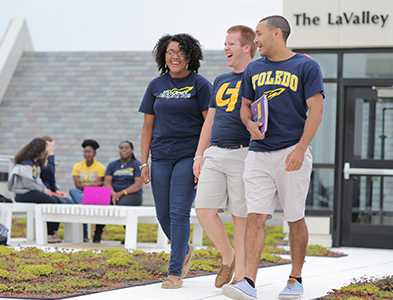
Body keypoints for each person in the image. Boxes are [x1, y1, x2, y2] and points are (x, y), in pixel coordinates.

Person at [222, 15, 324, 300]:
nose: (255, 40)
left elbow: (315, 110)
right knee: (255, 216)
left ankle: (295, 279)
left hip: (292, 151)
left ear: (276, 33)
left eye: (259, 33)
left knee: (294, 218)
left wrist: (301, 149)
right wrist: (249, 124)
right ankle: (248, 282)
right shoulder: (254, 68)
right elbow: (245, 107)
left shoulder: (306, 65)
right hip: (258, 154)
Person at [139, 33, 212, 289]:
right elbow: (147, 127)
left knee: (179, 211)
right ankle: (184, 248)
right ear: (164, 56)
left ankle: (174, 273)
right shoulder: (156, 86)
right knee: (162, 214)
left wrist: (201, 156)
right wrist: (144, 162)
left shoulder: (200, 85)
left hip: (188, 157)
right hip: (159, 157)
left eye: (181, 52)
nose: (175, 56)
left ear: (190, 56)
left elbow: (209, 123)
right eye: (171, 52)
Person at [193, 25, 256, 289]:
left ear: (247, 47)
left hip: (244, 152)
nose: (226, 48)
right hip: (215, 152)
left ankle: (241, 276)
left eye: (231, 43)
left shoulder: (259, 76)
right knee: (203, 210)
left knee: (240, 217)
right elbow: (210, 121)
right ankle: (227, 256)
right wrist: (199, 155)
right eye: (225, 43)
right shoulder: (220, 80)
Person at [7, 137, 63, 243]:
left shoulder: (36, 164)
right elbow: (28, 184)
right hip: (23, 194)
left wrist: (46, 190)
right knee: (52, 201)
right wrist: (43, 191)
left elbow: (38, 181)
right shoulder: (26, 164)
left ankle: (52, 231)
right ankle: (48, 233)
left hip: (31, 192)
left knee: (57, 200)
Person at [92, 140, 144, 243]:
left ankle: (129, 236)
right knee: (103, 204)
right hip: (114, 194)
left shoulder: (136, 164)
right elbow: (107, 181)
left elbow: (138, 184)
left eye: (126, 148)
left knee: (122, 205)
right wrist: (113, 193)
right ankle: (97, 235)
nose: (123, 150)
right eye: (121, 148)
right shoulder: (113, 165)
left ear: (131, 150)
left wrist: (122, 193)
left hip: (132, 195)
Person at [69, 139, 106, 242]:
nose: (87, 154)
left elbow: (100, 184)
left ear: (95, 153)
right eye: (85, 151)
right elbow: (77, 185)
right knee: (73, 191)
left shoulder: (100, 167)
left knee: (82, 205)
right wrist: (92, 185)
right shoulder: (77, 166)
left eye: (89, 152)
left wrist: (86, 186)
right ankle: (84, 234)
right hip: (81, 194)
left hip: (94, 195)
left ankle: (84, 203)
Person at [40, 136, 75, 204]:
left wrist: (56, 190)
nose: (54, 149)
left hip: (52, 191)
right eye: (52, 146)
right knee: (64, 203)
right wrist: (51, 154)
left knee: (71, 202)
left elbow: (51, 180)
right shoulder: (39, 163)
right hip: (44, 192)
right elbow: (50, 172)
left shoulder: (49, 162)